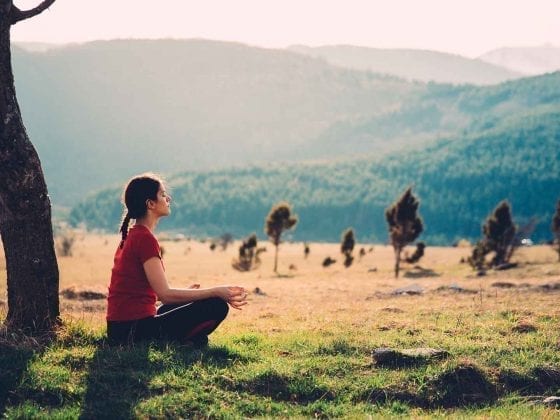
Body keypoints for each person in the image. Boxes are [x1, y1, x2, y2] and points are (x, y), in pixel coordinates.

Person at [106, 173, 247, 345]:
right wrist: (216, 291)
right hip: (134, 332)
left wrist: (189, 294)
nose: (168, 199)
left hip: (120, 329)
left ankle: (189, 338)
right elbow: (165, 295)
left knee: (185, 304)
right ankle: (185, 341)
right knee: (216, 305)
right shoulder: (144, 239)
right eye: (163, 195)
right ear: (150, 204)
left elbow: (136, 294)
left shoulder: (131, 236)